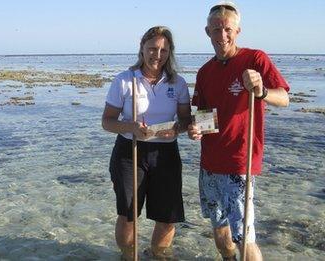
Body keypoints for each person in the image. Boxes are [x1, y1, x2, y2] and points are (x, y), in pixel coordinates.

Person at [188, 2, 290, 260]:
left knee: (244, 239)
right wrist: (196, 129)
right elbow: (202, 115)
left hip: (239, 164)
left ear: (238, 30)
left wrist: (262, 91)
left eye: (227, 29)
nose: (222, 35)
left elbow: (284, 98)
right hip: (209, 164)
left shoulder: (255, 59)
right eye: (216, 29)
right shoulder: (204, 71)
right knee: (220, 233)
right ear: (207, 31)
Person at [102, 26, 191, 259]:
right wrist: (130, 127)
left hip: (166, 153)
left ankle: (157, 255)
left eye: (163, 50)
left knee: (167, 216)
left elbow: (185, 121)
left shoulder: (178, 83)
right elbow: (107, 122)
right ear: (142, 48)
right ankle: (128, 256)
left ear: (170, 52)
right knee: (128, 214)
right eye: (152, 48)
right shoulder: (124, 80)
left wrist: (177, 128)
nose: (157, 55)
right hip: (129, 152)